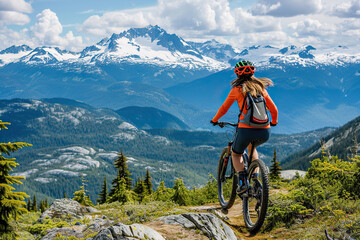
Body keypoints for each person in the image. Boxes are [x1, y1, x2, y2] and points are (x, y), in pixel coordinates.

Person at [210, 60, 278, 195]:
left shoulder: (237, 89)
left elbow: (224, 109)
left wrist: (215, 120)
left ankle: (242, 181)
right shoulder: (261, 88)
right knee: (252, 148)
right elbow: (274, 109)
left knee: (236, 154)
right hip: (265, 131)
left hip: (245, 129)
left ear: (237, 74)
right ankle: (255, 177)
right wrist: (274, 122)